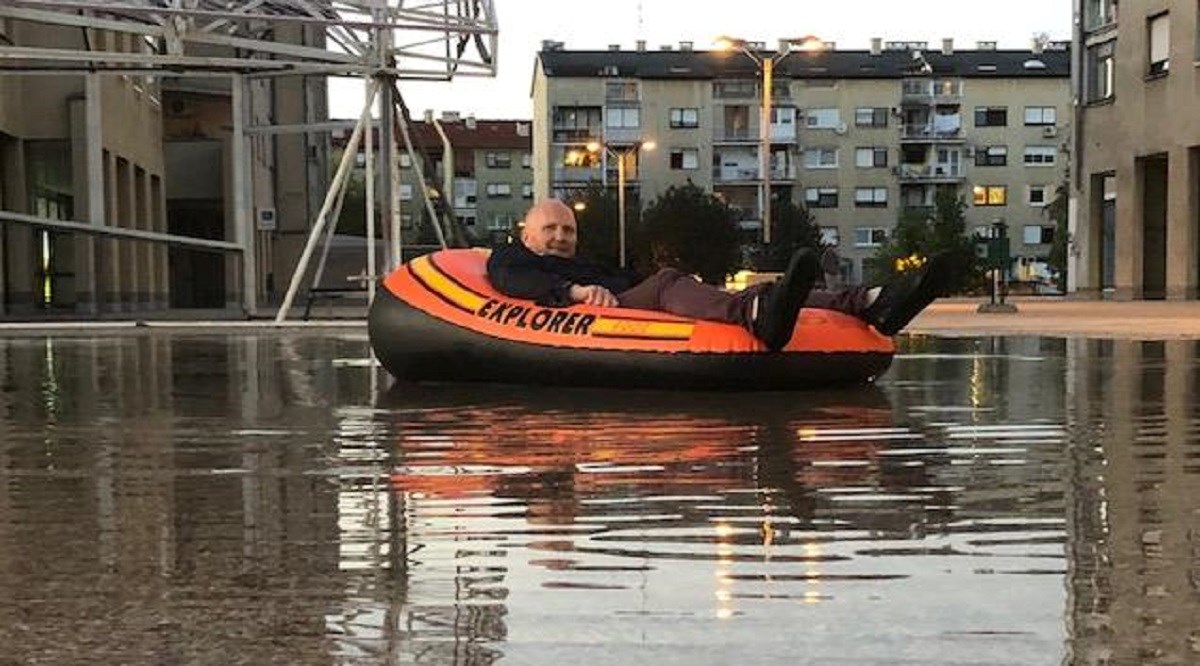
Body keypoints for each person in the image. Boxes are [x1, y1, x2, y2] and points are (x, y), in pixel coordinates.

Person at [487, 199, 948, 351]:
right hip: (593, 313)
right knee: (667, 281)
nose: (561, 236)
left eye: (567, 229)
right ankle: (752, 313)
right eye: (550, 228)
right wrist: (573, 290)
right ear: (526, 232)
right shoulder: (513, 259)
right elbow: (513, 284)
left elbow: (628, 281)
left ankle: (871, 302)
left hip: (620, 298)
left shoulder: (588, 263)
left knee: (765, 289)